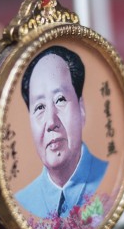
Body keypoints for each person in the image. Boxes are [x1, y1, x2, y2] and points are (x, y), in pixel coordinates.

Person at [14, 45, 108, 218]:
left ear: (81, 109)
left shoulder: (110, 181)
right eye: (40, 107)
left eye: (60, 100)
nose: (51, 122)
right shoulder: (22, 203)